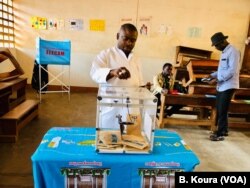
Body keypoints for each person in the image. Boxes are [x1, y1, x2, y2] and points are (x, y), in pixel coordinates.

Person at [90, 23, 150, 129]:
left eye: (133, 40)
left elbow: (139, 83)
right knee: (109, 137)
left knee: (130, 137)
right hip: (111, 107)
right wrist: (113, 72)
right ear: (117, 36)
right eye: (125, 38)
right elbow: (95, 73)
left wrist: (144, 88)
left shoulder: (136, 59)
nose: (129, 43)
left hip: (132, 108)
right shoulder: (106, 54)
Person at [206, 32, 241, 141]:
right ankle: (224, 130)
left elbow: (232, 71)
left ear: (222, 42)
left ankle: (220, 133)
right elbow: (221, 70)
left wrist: (218, 79)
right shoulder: (224, 52)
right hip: (222, 85)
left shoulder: (233, 51)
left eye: (216, 45)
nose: (216, 48)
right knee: (221, 108)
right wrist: (211, 75)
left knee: (222, 109)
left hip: (229, 85)